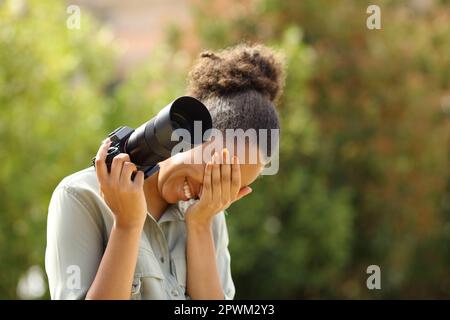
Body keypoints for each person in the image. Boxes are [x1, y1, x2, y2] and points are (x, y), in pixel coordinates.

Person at [45, 44, 285, 300]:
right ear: (189, 132)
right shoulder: (81, 197)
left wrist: (200, 224)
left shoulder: (209, 213)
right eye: (217, 171)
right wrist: (127, 226)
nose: (212, 192)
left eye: (230, 185)